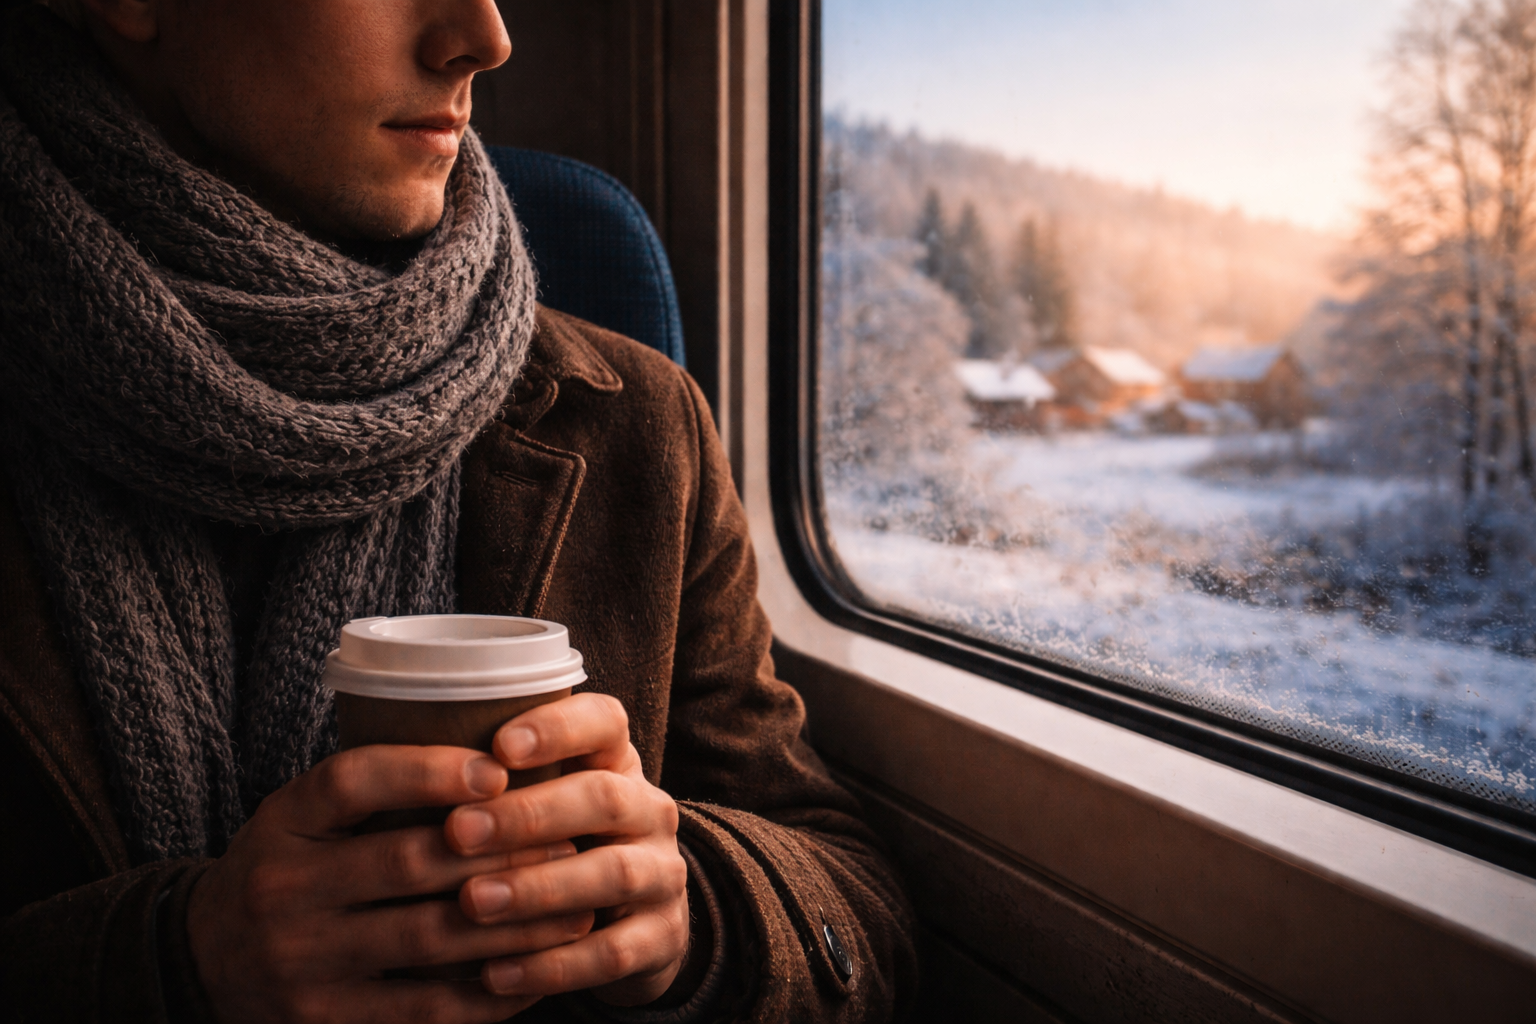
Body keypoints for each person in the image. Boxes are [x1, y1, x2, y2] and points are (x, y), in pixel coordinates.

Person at [0, 0, 916, 1021]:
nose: (486, 37)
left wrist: (689, 914)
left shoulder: (641, 426)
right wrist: (163, 968)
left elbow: (855, 905)